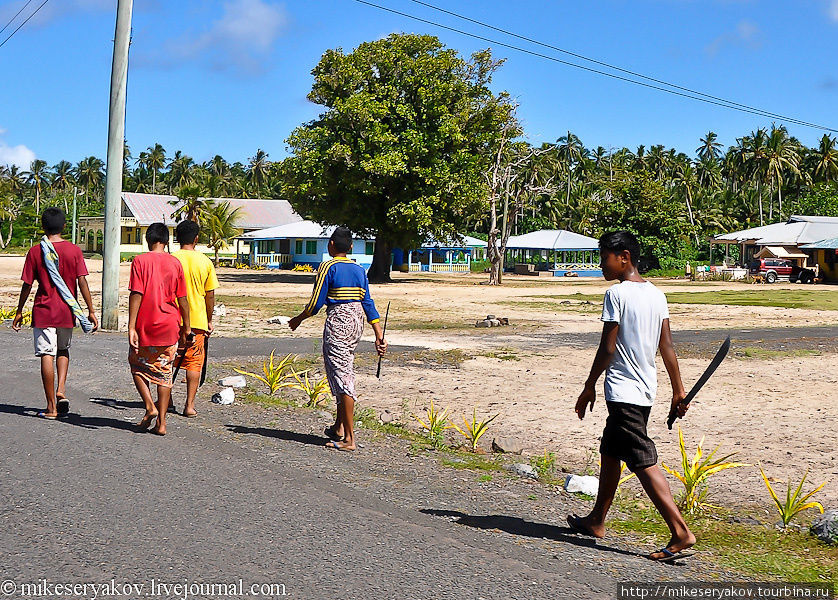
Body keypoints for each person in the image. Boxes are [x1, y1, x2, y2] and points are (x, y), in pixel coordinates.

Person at [567, 230, 695, 562]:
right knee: (611, 450)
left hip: (623, 390)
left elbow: (607, 347)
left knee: (641, 458)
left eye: (604, 257)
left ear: (624, 257)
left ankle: (680, 532)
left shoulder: (617, 294)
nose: (601, 264)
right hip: (644, 390)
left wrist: (588, 385)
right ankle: (597, 521)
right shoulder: (657, 295)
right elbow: (666, 346)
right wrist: (677, 389)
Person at [288, 227, 387, 451]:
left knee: (342, 377)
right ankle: (339, 427)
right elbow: (368, 303)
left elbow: (315, 304)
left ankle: (350, 439)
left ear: (331, 245)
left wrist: (298, 319)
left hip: (339, 322)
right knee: (343, 369)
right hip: (357, 322)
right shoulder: (360, 269)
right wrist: (379, 334)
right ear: (350, 247)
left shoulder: (327, 267)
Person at [13, 207, 98, 419]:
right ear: (64, 227)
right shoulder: (74, 251)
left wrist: (19, 310)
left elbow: (27, 284)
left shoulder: (35, 251)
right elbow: (82, 281)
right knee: (63, 350)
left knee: (46, 354)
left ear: (43, 226)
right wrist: (91, 310)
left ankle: (51, 407)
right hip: (67, 310)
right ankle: (61, 388)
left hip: (43, 309)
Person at [128, 223, 191, 436]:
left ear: (148, 240)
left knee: (137, 366)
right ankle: (162, 423)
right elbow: (182, 299)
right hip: (170, 325)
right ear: (166, 241)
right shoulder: (175, 263)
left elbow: (136, 293)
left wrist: (131, 326)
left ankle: (149, 406)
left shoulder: (140, 261)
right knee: (165, 373)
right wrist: (187, 328)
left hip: (146, 324)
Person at [171, 220, 219, 417]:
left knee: (167, 360)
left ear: (176, 238)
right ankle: (189, 405)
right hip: (197, 319)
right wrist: (208, 319)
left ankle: (167, 400)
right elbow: (210, 295)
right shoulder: (205, 261)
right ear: (196, 239)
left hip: (173, 319)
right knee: (194, 363)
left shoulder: (171, 259)